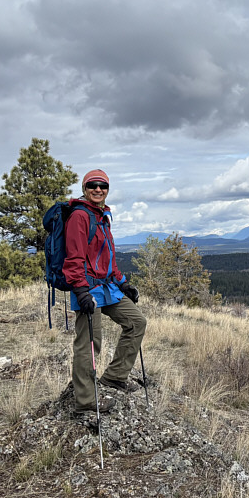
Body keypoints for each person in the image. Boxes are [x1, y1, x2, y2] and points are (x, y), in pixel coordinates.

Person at [64, 169, 147, 415]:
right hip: (88, 289)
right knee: (89, 343)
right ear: (84, 188)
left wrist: (123, 283)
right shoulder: (80, 216)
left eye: (103, 186)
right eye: (93, 185)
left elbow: (108, 258)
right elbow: (74, 258)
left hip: (108, 287)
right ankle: (86, 401)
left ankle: (115, 376)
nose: (98, 189)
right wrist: (80, 291)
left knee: (136, 322)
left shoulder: (101, 216)